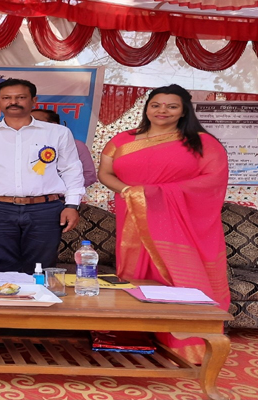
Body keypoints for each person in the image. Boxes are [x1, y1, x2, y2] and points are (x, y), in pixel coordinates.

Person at [97, 84, 229, 363]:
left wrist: (156, 193)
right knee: (137, 276)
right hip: (133, 216)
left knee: (180, 277)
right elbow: (105, 173)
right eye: (156, 105)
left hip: (180, 224)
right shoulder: (121, 140)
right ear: (147, 108)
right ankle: (135, 336)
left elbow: (213, 181)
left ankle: (186, 343)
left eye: (172, 106)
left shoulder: (203, 143)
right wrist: (130, 192)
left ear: (184, 111)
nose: (162, 111)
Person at [0, 79, 85, 274]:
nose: (13, 102)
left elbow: (71, 169)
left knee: (41, 268)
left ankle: (40, 295)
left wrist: (72, 205)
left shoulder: (58, 133)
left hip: (45, 210)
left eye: (20, 97)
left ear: (33, 100)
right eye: (7, 98)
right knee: (4, 267)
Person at [31, 108, 97, 187]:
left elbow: (89, 175)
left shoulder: (76, 145)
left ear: (54, 125)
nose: (30, 125)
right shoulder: (21, 145)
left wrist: (62, 190)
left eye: (36, 121)